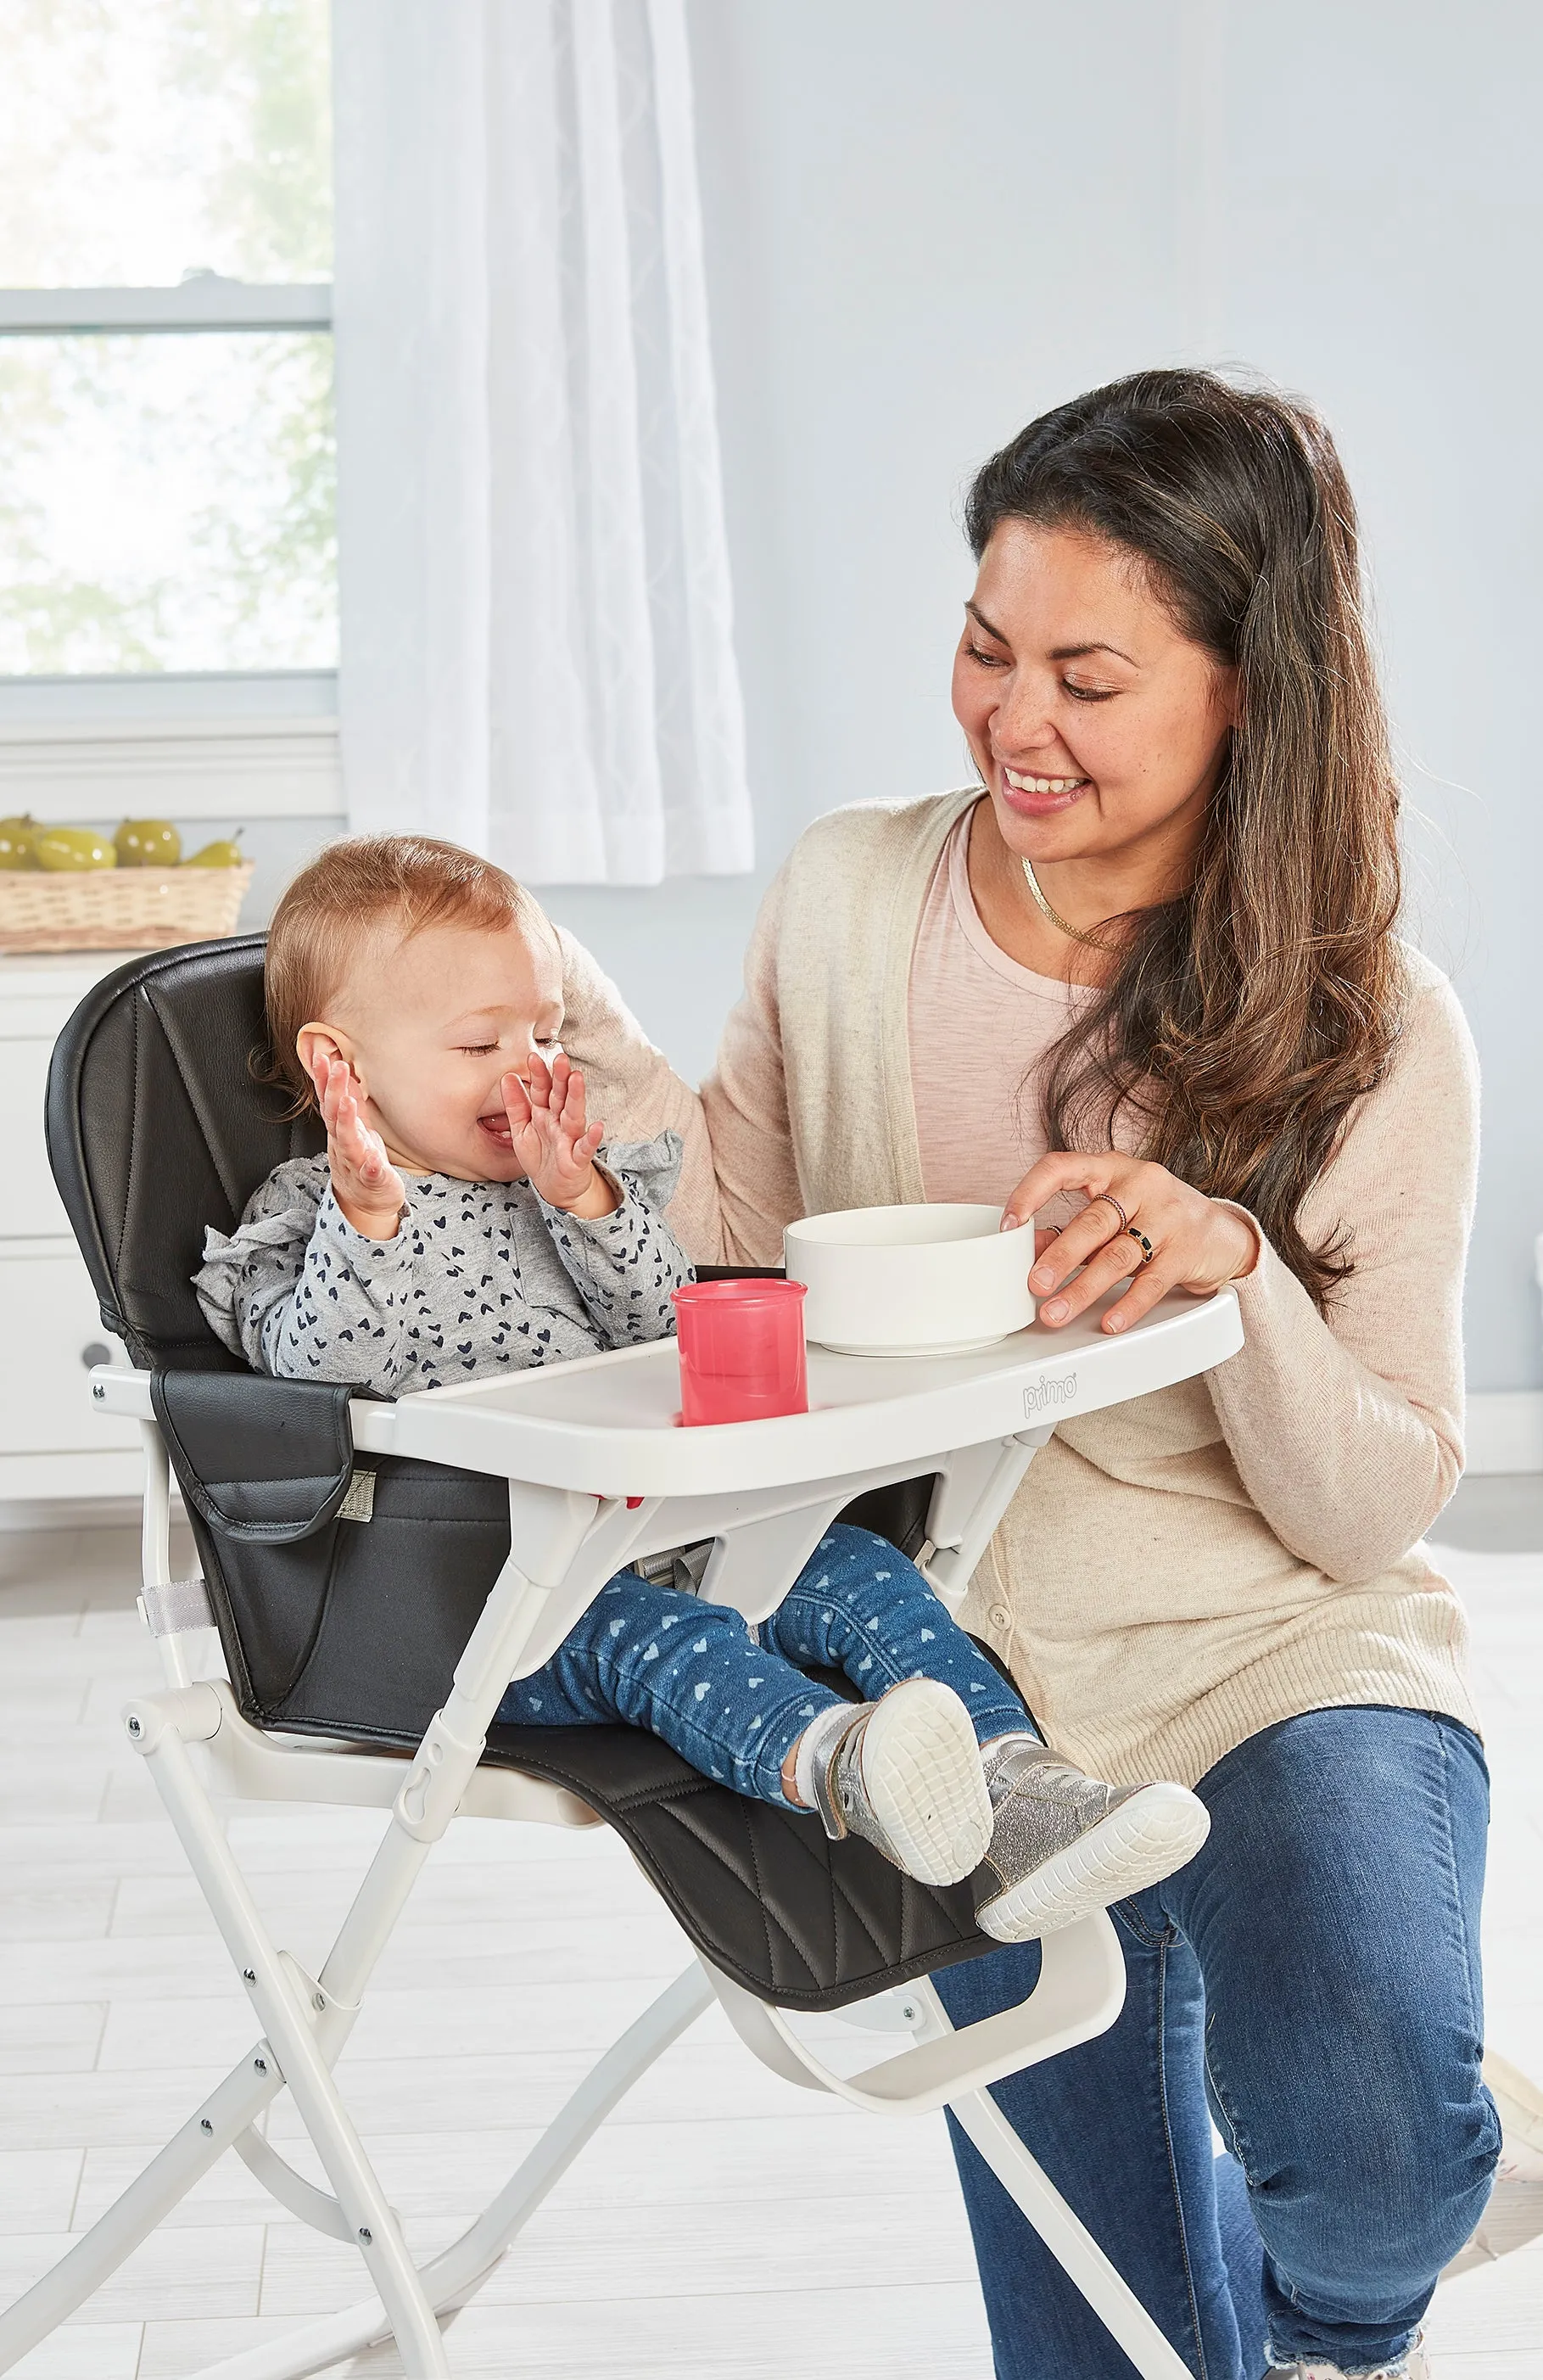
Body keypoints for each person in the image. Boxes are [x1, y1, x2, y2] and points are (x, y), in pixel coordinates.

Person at [558, 370, 1527, 2379]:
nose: (1016, 718)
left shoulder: (1373, 1028)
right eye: (986, 649)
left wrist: (1230, 1268)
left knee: (1379, 2172)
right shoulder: (848, 894)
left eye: (1089, 674)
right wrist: (584, 1134)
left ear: (1246, 688)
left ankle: (1341, 2299)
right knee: (1103, 2357)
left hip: (1261, 1645)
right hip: (947, 1712)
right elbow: (720, 1271)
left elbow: (1367, 1505)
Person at [193, 832, 1210, 1942]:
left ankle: (1025, 1798)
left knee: (861, 1569)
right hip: (488, 1607)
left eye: (542, 1032)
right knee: (668, 1641)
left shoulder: (550, 1195)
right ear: (339, 1067)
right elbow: (318, 1369)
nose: (526, 1064)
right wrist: (368, 1215)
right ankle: (845, 1767)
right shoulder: (309, 1221)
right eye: (481, 1041)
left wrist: (584, 1201)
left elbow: (658, 1329)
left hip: (668, 1538)